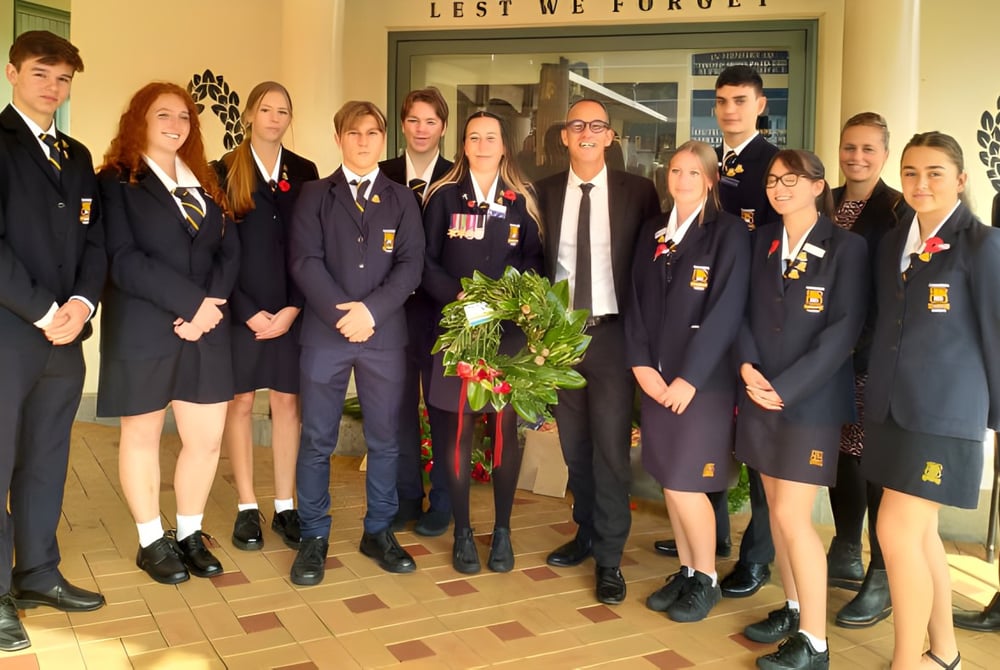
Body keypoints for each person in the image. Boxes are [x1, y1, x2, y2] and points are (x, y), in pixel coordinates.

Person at [863, 131, 1000, 670]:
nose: (921, 183)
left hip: (946, 413)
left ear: (961, 180)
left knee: (894, 530)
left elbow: (996, 332)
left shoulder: (982, 244)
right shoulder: (895, 239)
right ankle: (943, 654)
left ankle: (905, 663)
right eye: (912, 172)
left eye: (935, 172)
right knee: (919, 536)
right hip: (893, 409)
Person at [97, 82, 239, 586]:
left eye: (184, 117)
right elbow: (122, 259)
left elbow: (229, 248)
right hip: (145, 327)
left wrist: (210, 306)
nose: (176, 125)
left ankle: (190, 533)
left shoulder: (205, 179)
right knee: (143, 435)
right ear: (139, 119)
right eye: (163, 115)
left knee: (205, 439)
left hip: (206, 327)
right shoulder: (115, 183)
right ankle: (151, 540)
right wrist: (191, 303)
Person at [735, 150, 867, 670]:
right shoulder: (761, 240)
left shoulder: (846, 247)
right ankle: (793, 609)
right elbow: (741, 313)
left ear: (818, 186)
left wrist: (783, 387)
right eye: (773, 180)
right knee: (776, 509)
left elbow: (843, 332)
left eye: (792, 180)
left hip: (808, 400)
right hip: (759, 392)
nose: (779, 188)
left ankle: (816, 642)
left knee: (792, 516)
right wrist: (747, 368)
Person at [654, 66, 780, 598]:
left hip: (751, 320)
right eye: (722, 100)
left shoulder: (773, 165)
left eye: (741, 100)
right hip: (694, 323)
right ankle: (711, 545)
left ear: (759, 104)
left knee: (756, 454)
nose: (730, 109)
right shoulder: (708, 163)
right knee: (705, 449)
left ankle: (755, 557)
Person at [288, 101, 424, 586]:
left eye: (372, 133)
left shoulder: (402, 198)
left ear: (383, 140)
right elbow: (304, 261)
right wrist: (343, 314)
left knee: (385, 439)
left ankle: (379, 530)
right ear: (338, 138)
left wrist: (371, 312)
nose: (363, 141)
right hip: (327, 334)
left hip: (383, 334)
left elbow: (410, 265)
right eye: (353, 133)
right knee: (317, 438)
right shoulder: (314, 195)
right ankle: (313, 535)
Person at [0, 30, 106, 651]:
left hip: (66, 337)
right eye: (42, 74)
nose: (53, 87)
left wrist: (81, 303)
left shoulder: (78, 154)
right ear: (13, 73)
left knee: (45, 457)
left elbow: (94, 242)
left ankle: (37, 571)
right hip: (10, 332)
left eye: (64, 79)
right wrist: (43, 309)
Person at [535, 98, 660, 605]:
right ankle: (585, 530)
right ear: (564, 136)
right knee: (573, 446)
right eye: (577, 125)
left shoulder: (639, 191)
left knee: (610, 448)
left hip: (612, 335)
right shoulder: (540, 194)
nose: (586, 133)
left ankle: (609, 557)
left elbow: (652, 267)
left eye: (597, 126)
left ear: (611, 137)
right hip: (561, 334)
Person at [626, 141, 749, 622]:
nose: (681, 180)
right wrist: (640, 364)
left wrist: (688, 380)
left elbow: (726, 313)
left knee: (686, 485)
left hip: (702, 386)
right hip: (655, 379)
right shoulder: (653, 230)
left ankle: (708, 579)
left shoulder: (729, 235)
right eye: (675, 170)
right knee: (670, 484)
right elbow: (633, 298)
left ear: (711, 180)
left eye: (693, 173)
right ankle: (687, 570)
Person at [422, 111, 543, 574]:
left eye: (491, 136)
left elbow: (534, 260)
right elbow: (426, 262)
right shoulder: (443, 197)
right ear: (464, 145)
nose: (482, 143)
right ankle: (464, 533)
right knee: (457, 432)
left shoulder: (521, 201)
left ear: (504, 145)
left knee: (501, 434)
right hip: (457, 329)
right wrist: (458, 296)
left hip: (506, 333)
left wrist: (508, 299)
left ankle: (504, 531)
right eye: (474, 136)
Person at [217, 82, 318, 552]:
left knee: (286, 406)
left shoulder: (304, 171)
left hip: (290, 310)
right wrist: (247, 311)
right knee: (239, 404)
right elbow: (216, 251)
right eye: (267, 109)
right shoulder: (223, 170)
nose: (275, 118)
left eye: (284, 110)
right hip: (242, 312)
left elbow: (310, 246)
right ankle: (246, 507)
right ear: (250, 114)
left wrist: (295, 306)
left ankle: (284, 505)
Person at [826, 112, 911, 629]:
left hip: (869, 355)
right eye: (849, 147)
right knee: (840, 454)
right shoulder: (825, 200)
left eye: (867, 149)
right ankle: (844, 546)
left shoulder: (899, 209)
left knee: (871, 462)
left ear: (884, 153)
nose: (856, 157)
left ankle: (882, 575)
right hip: (825, 355)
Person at [379, 86, 454, 537]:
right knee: (396, 410)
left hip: (442, 315)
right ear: (402, 125)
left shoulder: (458, 177)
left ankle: (442, 500)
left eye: (430, 121)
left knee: (443, 411)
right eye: (413, 120)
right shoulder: (382, 173)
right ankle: (407, 495)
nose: (421, 129)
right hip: (391, 315)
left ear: (443, 127)